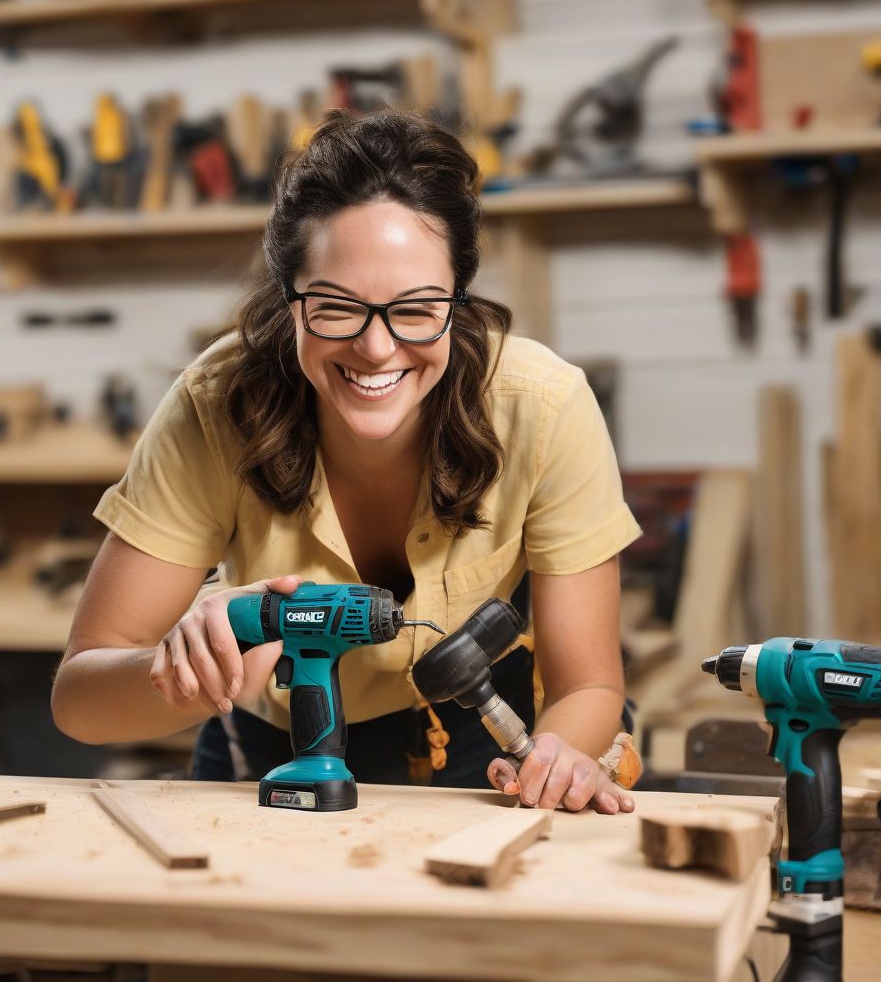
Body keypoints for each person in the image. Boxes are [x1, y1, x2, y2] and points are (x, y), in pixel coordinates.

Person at [51, 108, 642, 814]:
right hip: (275, 757)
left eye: (418, 308)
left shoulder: (543, 407)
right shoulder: (215, 405)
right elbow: (79, 702)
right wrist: (178, 670)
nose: (377, 348)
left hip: (490, 751)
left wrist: (562, 758)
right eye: (335, 307)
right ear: (290, 300)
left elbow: (589, 688)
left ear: (459, 298)